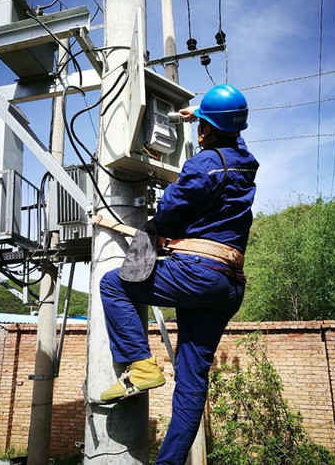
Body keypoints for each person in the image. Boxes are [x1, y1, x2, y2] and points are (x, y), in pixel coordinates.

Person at [99, 84, 259, 464]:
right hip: (229, 285)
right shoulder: (246, 161)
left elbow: (170, 212)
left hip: (199, 274)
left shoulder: (203, 165)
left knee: (114, 284)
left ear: (206, 130)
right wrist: (197, 118)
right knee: (191, 383)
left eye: (202, 125)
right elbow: (224, 144)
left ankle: (140, 366)